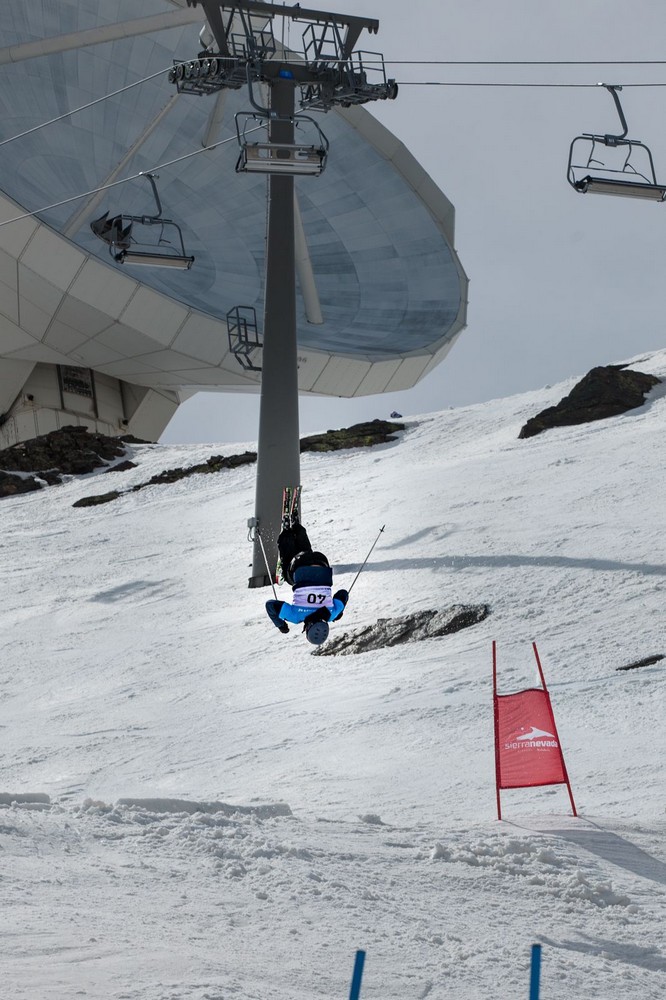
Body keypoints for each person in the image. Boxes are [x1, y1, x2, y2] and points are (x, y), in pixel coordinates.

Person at [265, 519, 348, 646]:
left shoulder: (331, 614)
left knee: (308, 558)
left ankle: (299, 529)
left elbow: (343, 594)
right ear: (307, 628)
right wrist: (281, 625)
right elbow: (270, 605)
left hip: (322, 562)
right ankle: (286, 531)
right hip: (299, 567)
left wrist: (339, 612)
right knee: (290, 574)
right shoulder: (296, 617)